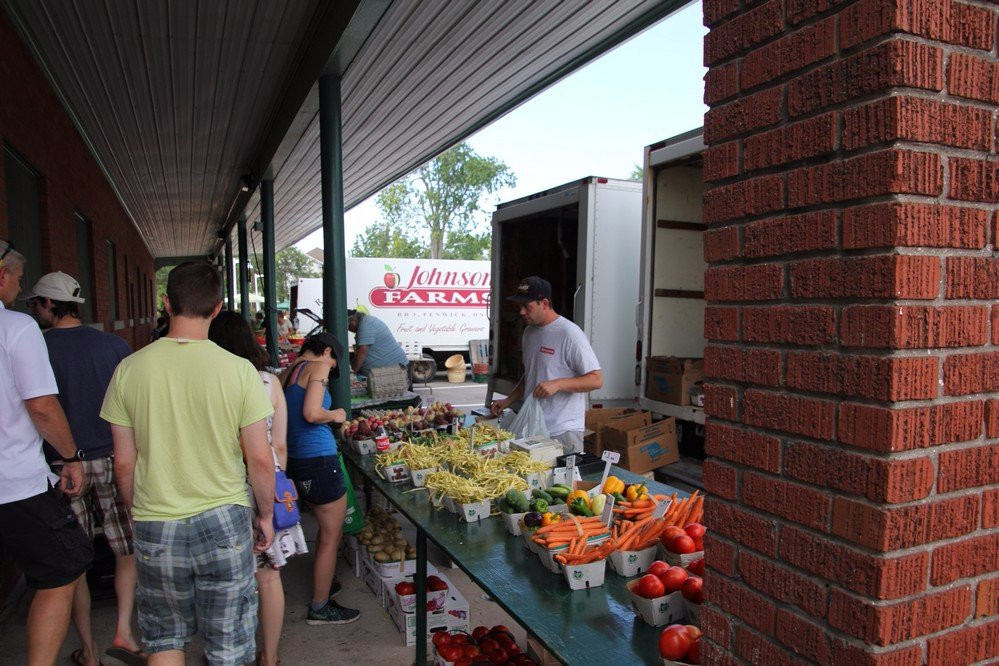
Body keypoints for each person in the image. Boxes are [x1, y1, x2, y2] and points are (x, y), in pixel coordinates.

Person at [101, 261, 275, 666]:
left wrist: (136, 511)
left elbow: (123, 465)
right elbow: (260, 459)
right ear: (218, 308)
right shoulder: (240, 372)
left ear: (166, 303)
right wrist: (265, 514)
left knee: (164, 636)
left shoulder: (128, 370)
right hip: (224, 517)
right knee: (229, 642)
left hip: (155, 519)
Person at [27, 271, 142, 666]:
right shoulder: (114, 345)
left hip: (63, 467)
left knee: (73, 562)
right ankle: (124, 631)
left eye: (36, 304)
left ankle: (89, 652)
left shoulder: (37, 348)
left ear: (47, 305)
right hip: (114, 458)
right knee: (126, 547)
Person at [0, 240, 93, 665]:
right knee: (65, 564)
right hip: (15, 481)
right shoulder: (16, 329)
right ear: (1, 274)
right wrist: (71, 457)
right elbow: (41, 405)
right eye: (17, 279)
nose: (18, 290)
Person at [208, 311, 307, 666]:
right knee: (269, 576)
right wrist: (278, 482)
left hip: (221, 489)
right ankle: (270, 656)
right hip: (266, 487)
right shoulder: (268, 382)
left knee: (226, 581)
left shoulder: (209, 380)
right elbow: (278, 447)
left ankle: (228, 655)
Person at [281, 332, 360, 626]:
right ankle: (320, 606)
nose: (331, 367)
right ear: (327, 351)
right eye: (334, 360)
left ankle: (323, 585)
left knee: (327, 533)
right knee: (331, 536)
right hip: (319, 461)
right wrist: (337, 414)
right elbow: (312, 413)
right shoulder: (318, 367)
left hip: (298, 461)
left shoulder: (290, 371)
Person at [490, 276, 602, 454]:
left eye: (527, 306)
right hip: (533, 428)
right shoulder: (529, 332)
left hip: (563, 431)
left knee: (560, 481)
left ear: (544, 303)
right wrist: (508, 400)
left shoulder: (570, 333)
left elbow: (596, 380)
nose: (521, 312)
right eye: (519, 307)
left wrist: (558, 384)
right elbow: (532, 373)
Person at [347, 309, 408, 377]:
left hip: (393, 373)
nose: (349, 330)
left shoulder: (365, 324)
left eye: (348, 327)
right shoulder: (366, 322)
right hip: (389, 372)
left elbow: (362, 352)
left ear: (353, 321)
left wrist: (351, 372)